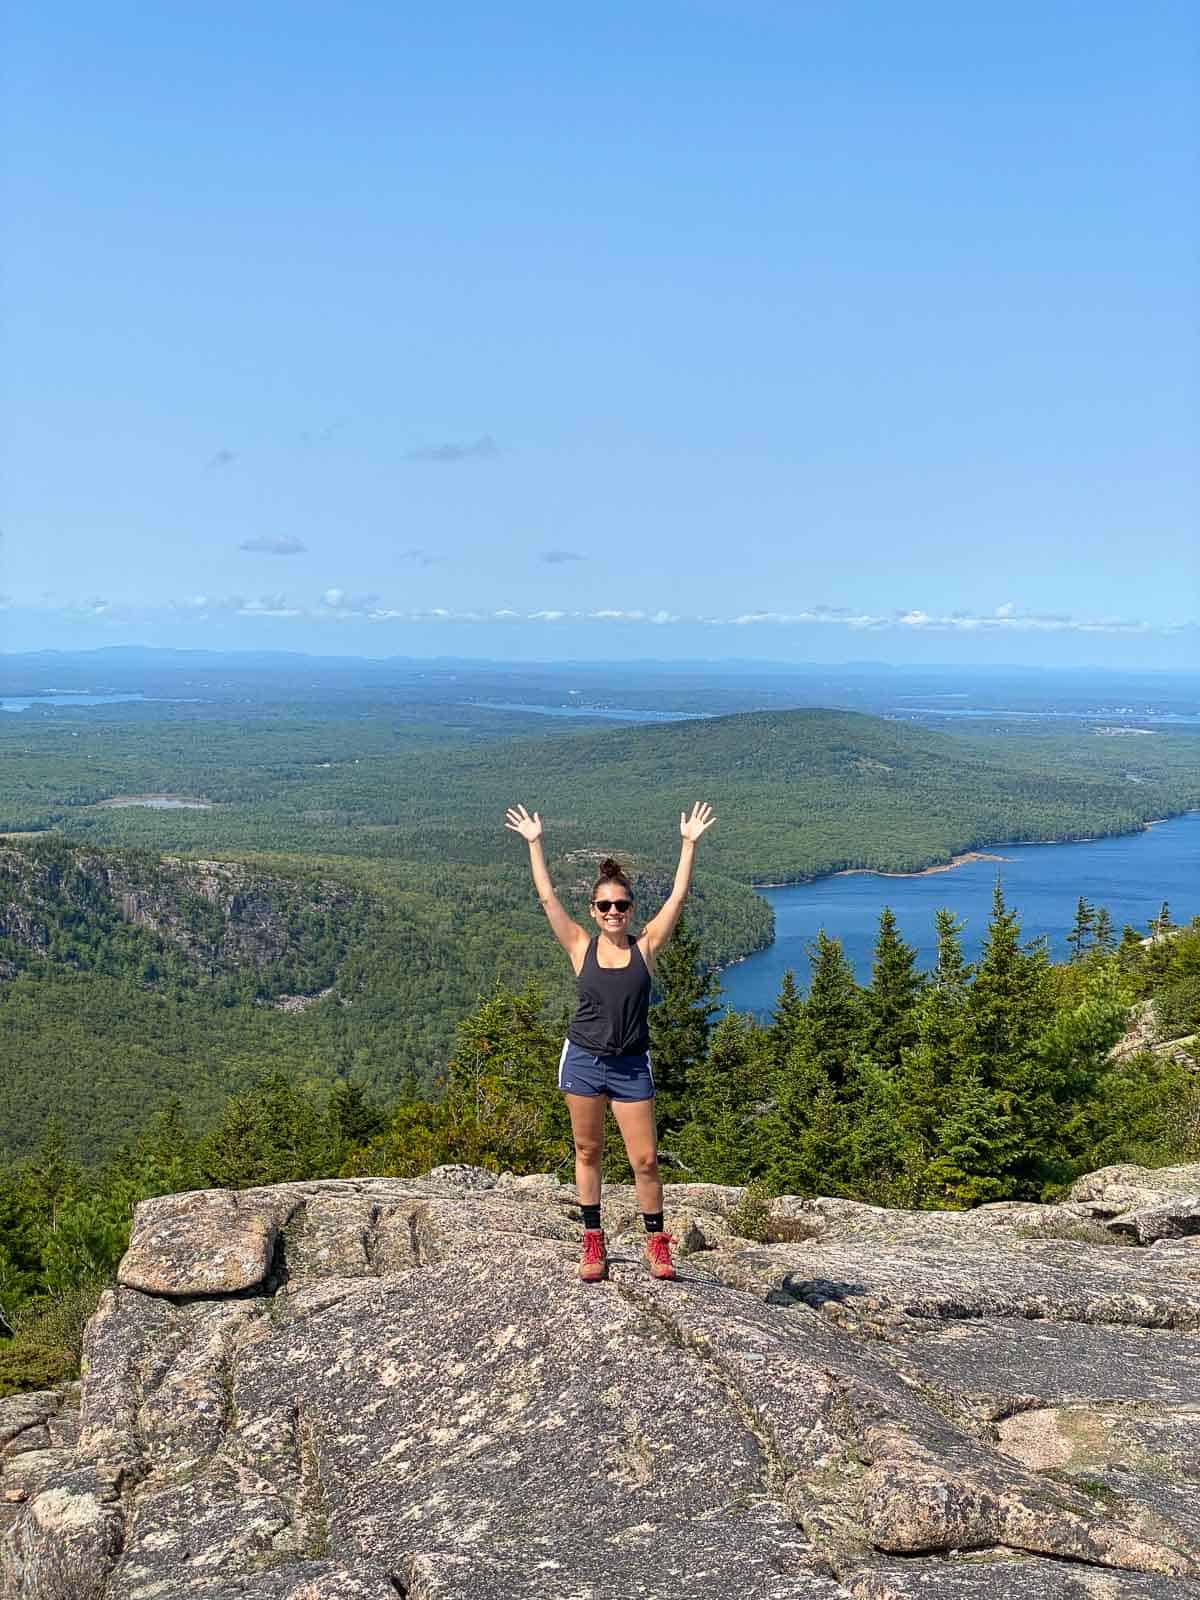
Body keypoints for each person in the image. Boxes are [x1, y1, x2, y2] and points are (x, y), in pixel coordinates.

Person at [504, 801, 717, 1282]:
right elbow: (546, 898)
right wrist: (535, 843)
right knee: (588, 1151)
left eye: (621, 905)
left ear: (631, 910)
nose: (614, 911)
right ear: (594, 911)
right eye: (605, 906)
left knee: (644, 1159)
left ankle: (657, 1245)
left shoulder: (648, 947)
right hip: (582, 1060)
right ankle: (593, 1241)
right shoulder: (581, 945)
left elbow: (678, 900)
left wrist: (688, 845)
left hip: (630, 1065)